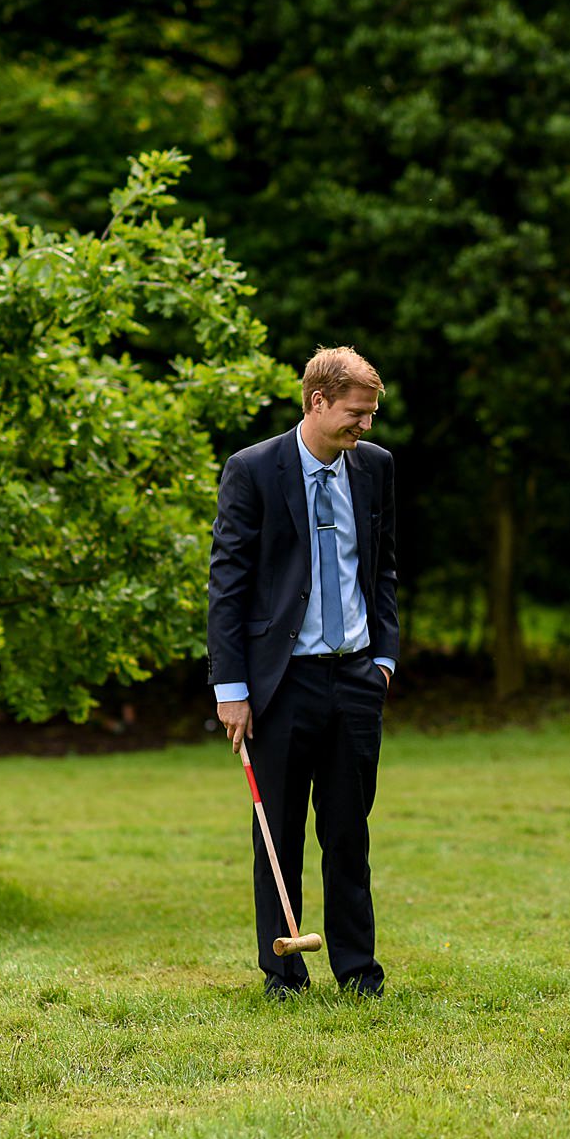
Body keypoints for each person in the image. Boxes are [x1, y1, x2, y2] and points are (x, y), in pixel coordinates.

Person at [207, 346, 399, 999]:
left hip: (354, 679)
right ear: (317, 402)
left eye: (370, 415)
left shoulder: (373, 469)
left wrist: (384, 658)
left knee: (348, 831)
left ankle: (358, 971)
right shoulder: (254, 470)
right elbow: (227, 585)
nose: (364, 427)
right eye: (355, 413)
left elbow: (384, 568)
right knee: (278, 834)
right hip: (279, 685)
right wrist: (231, 689)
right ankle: (284, 973)